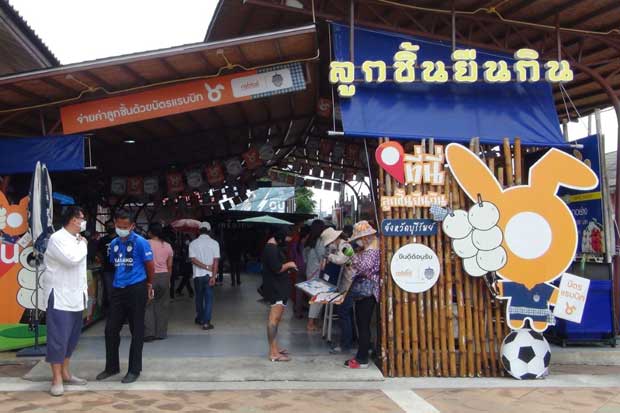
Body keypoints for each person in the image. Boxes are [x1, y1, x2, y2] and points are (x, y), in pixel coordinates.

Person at [96, 210, 154, 384]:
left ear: (132, 226)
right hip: (118, 289)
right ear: (114, 224)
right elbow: (114, 263)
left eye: (125, 227)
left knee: (136, 330)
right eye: (119, 226)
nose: (122, 229)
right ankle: (111, 367)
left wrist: (149, 284)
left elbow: (150, 265)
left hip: (137, 288)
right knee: (110, 329)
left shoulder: (141, 242)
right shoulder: (113, 243)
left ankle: (134, 370)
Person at [42, 206, 89, 396]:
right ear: (72, 219)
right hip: (60, 295)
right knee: (58, 338)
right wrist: (84, 244)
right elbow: (71, 259)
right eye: (81, 218)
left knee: (71, 338)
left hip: (77, 295)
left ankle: (66, 372)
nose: (83, 221)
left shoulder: (76, 239)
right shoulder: (57, 239)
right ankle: (56, 378)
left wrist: (81, 242)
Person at [344, 221, 381, 369]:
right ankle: (365, 353)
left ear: (365, 237)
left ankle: (362, 358)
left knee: (363, 325)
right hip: (369, 290)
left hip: (367, 291)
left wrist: (352, 257)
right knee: (364, 324)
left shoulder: (371, 251)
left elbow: (363, 268)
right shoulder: (372, 249)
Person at [262, 228, 298, 362]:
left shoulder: (272, 247)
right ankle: (273, 353)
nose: (287, 243)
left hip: (279, 288)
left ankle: (275, 348)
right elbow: (277, 268)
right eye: (286, 240)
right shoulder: (271, 249)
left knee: (275, 321)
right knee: (273, 320)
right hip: (276, 288)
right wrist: (289, 264)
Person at [144, 223, 174, 342]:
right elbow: (170, 265)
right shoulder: (168, 246)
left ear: (150, 232)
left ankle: (149, 332)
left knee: (148, 305)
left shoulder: (145, 244)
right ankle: (161, 333)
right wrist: (169, 280)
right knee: (162, 305)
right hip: (164, 277)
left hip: (149, 276)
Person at [189, 222, 220, 330]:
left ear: (199, 231)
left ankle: (200, 318)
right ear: (209, 231)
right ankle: (206, 322)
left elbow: (193, 260)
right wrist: (213, 276)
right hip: (209, 276)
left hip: (197, 275)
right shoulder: (215, 243)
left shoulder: (193, 243)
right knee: (209, 299)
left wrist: (204, 267)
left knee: (198, 297)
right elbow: (216, 261)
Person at [303, 219, 326, 331]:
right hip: (316, 273)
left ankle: (314, 322)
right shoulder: (320, 241)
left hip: (309, 271)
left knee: (313, 299)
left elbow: (304, 257)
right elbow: (322, 256)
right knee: (316, 300)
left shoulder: (309, 240)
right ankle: (311, 323)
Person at [96, 222, 116, 311]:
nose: (110, 228)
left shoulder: (120, 239)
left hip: (120, 270)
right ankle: (113, 313)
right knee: (110, 292)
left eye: (111, 226)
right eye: (108, 227)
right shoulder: (103, 240)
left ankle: (122, 314)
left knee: (121, 292)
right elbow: (98, 252)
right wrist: (102, 261)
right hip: (107, 270)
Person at [291, 224, 310, 318]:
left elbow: (292, 256)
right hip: (306, 268)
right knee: (311, 290)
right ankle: (311, 313)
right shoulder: (308, 244)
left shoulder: (295, 243)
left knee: (299, 290)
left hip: (297, 268)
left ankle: (297, 310)